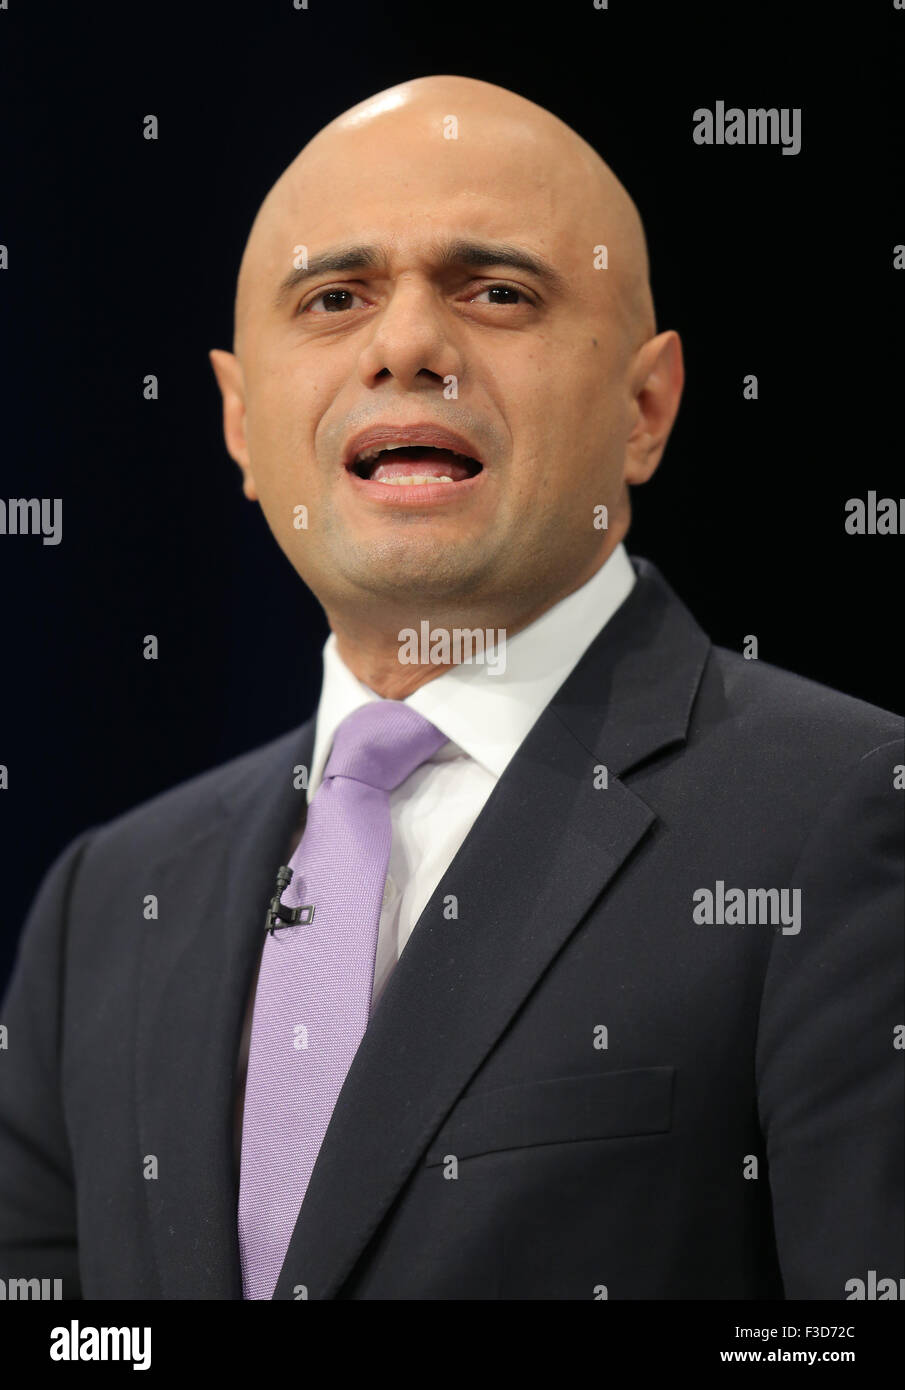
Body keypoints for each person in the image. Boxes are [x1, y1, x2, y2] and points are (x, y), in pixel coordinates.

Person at [0, 75, 901, 1301]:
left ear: (645, 409)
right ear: (240, 420)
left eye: (496, 292)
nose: (408, 344)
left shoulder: (844, 816)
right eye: (333, 296)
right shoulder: (108, 903)